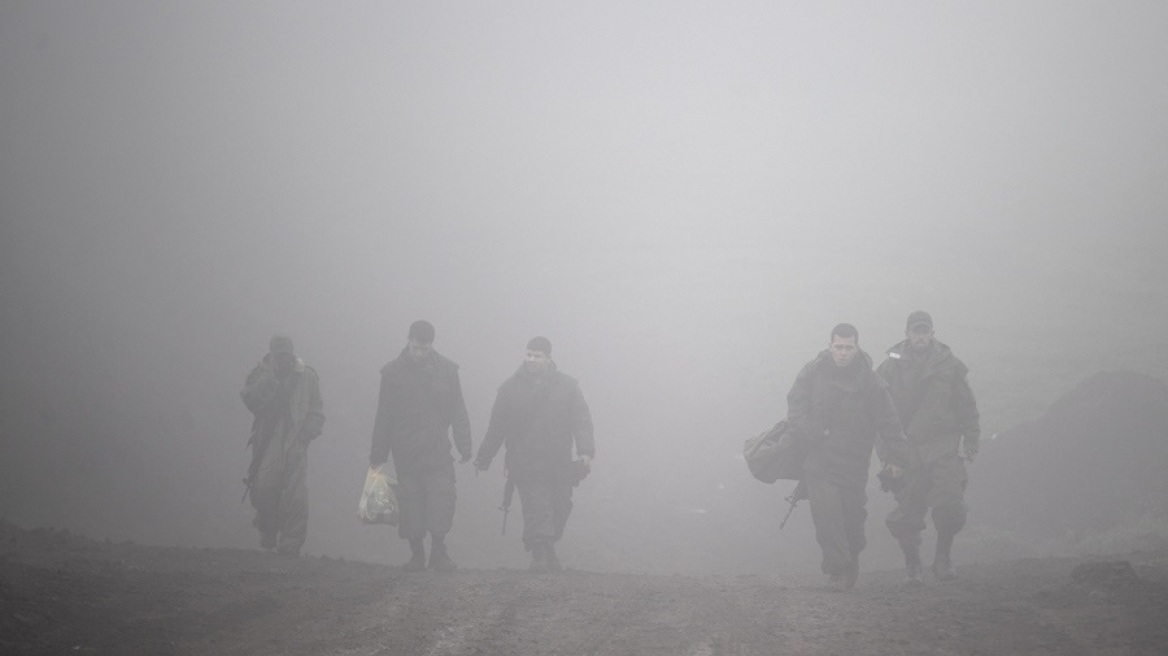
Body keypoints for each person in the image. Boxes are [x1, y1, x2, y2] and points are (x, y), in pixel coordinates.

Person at [786, 323, 908, 591]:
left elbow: (889, 423)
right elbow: (795, 409)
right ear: (830, 346)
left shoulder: (871, 382)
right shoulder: (812, 373)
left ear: (857, 347)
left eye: (848, 348)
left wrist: (897, 459)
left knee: (852, 519)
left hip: (854, 462)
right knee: (826, 515)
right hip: (819, 459)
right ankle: (837, 570)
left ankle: (850, 561)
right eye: (838, 347)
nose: (842, 353)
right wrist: (813, 431)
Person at [474, 336, 594, 573]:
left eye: (537, 356)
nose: (531, 359)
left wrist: (586, 451)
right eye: (528, 354)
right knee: (537, 506)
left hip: (559, 460)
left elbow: (581, 420)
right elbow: (497, 426)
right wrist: (484, 457)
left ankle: (547, 547)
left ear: (548, 358)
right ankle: (539, 553)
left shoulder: (568, 386)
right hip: (524, 461)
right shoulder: (509, 389)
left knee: (561, 506)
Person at [878, 311, 980, 584]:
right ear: (907, 334)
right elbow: (879, 415)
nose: (920, 337)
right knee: (907, 513)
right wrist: (888, 456)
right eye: (915, 332)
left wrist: (971, 439)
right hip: (906, 450)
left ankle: (943, 559)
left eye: (925, 332)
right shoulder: (889, 368)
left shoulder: (949, 366)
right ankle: (913, 563)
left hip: (942, 445)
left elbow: (966, 405)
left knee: (951, 505)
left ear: (932, 334)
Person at [370, 320, 472, 572]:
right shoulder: (392, 373)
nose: (419, 353)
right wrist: (378, 454)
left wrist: (464, 444)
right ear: (409, 341)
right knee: (410, 503)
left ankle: (439, 552)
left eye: (424, 349)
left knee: (442, 499)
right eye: (416, 347)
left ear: (431, 346)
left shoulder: (448, 370)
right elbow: (384, 415)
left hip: (437, 449)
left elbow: (458, 409)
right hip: (405, 451)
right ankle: (416, 556)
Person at [240, 334, 325, 557]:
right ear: (272, 354)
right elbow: (250, 400)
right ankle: (268, 530)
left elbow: (316, 409)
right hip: (268, 440)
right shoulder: (260, 374)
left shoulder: (307, 376)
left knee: (296, 495)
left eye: (287, 355)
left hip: (296, 440)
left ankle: (291, 543)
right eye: (279, 355)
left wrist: (307, 434)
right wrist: (271, 377)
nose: (284, 359)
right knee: (265, 488)